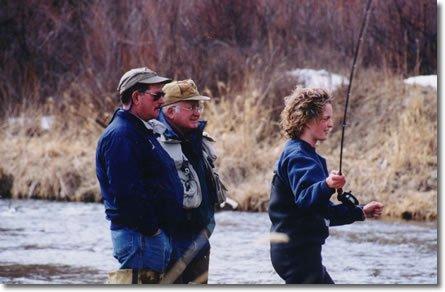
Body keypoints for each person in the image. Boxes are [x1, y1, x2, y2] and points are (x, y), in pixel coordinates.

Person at [268, 87, 384, 284]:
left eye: (331, 118)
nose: (331, 124)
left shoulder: (306, 155)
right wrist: (327, 185)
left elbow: (324, 213)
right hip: (296, 254)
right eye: (325, 118)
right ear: (306, 118)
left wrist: (361, 211)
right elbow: (305, 199)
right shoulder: (298, 156)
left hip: (301, 254)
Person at [96, 67, 184, 283]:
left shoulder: (138, 130)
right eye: (157, 95)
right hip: (140, 239)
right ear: (136, 97)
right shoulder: (122, 136)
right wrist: (153, 230)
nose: (162, 100)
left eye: (163, 94)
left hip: (146, 238)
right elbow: (127, 195)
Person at [154, 79, 225, 284]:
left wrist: (207, 229)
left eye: (198, 106)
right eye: (190, 107)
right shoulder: (153, 142)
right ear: (169, 111)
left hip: (200, 241)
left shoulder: (197, 139)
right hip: (169, 245)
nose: (197, 112)